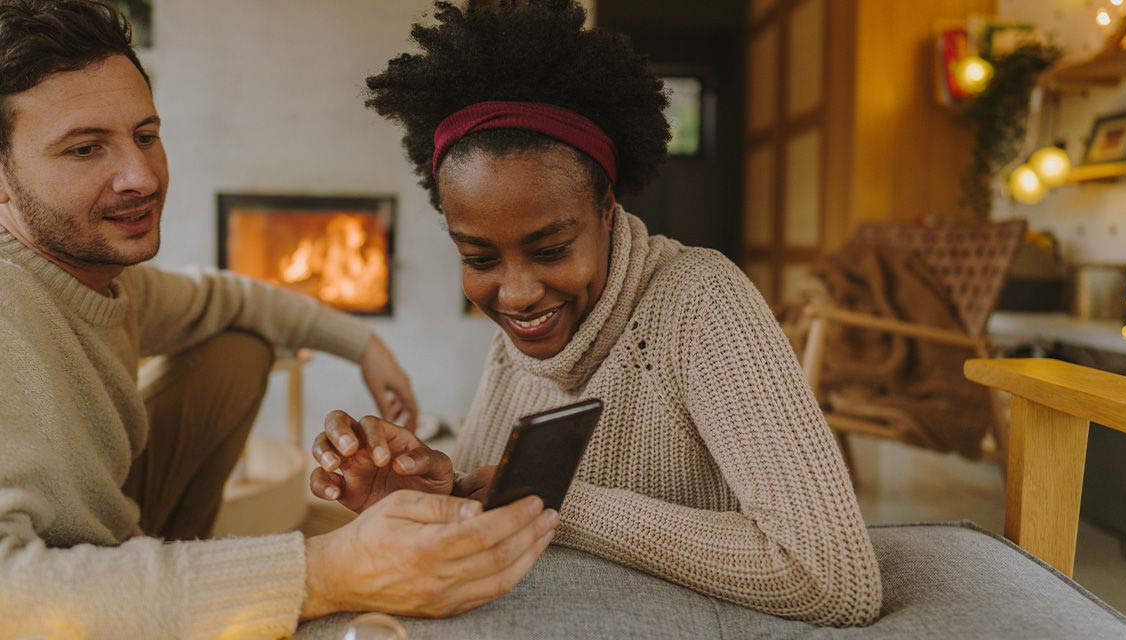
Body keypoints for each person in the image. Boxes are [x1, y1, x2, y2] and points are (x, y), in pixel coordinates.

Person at [0, 1, 557, 638]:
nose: (141, 176)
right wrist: (327, 570)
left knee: (237, 348)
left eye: (146, 136)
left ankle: (164, 580)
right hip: (45, 595)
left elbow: (232, 297)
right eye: (85, 149)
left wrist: (364, 345)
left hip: (110, 533)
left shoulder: (99, 279)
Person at [323, 0, 883, 626]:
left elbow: (832, 579)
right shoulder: (520, 336)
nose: (516, 294)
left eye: (551, 250)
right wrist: (431, 493)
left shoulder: (701, 303)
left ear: (607, 212)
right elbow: (491, 506)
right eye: (479, 258)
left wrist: (559, 505)